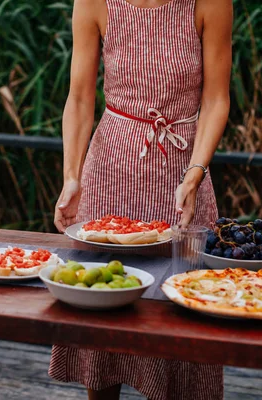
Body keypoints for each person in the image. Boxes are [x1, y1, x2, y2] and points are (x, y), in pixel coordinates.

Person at [51, 0, 232, 398]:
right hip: (109, 172)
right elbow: (80, 98)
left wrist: (196, 173)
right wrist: (71, 176)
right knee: (104, 322)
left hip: (184, 177)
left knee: (183, 323)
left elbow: (217, 99)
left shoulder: (209, 3)